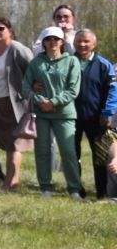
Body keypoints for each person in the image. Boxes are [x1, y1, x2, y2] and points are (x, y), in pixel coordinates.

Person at [24, 26, 83, 198]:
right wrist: (40, 101)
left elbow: (73, 90)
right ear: (43, 43)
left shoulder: (72, 61)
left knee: (68, 151)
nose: (52, 42)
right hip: (41, 113)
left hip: (65, 113)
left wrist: (54, 102)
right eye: (48, 39)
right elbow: (25, 87)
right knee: (42, 151)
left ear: (62, 42)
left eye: (56, 39)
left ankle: (74, 189)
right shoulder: (36, 63)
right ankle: (46, 188)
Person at [0, 17, 34, 193]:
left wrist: (32, 88)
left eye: (1, 28)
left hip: (16, 104)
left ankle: (7, 183)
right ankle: (14, 182)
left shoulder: (18, 50)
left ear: (9, 30)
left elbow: (33, 70)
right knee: (7, 144)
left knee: (15, 144)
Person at [73, 30, 114, 200]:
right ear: (74, 43)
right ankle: (76, 190)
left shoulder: (104, 64)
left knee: (100, 157)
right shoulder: (68, 62)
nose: (82, 44)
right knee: (72, 156)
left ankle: (102, 193)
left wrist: (107, 113)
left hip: (97, 118)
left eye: (86, 41)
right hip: (71, 118)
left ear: (94, 44)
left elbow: (113, 91)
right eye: (79, 41)